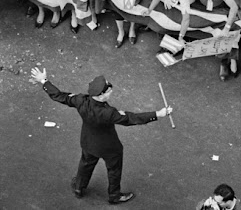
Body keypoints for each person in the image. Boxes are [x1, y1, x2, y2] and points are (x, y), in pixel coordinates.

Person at [29, 69, 173, 205]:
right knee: (114, 170)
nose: (111, 91)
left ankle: (79, 187)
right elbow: (130, 118)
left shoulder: (81, 100)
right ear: (101, 95)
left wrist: (44, 81)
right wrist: (158, 114)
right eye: (109, 90)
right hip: (109, 147)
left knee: (85, 164)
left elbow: (61, 96)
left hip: (88, 142)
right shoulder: (108, 113)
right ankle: (114, 196)